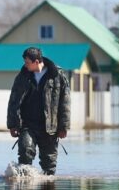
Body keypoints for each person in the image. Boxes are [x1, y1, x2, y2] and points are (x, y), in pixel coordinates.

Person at [7, 47, 71, 175]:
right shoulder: (22, 76)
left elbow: (65, 102)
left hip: (50, 127)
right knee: (25, 153)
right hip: (27, 125)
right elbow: (13, 100)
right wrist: (13, 124)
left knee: (49, 165)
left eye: (27, 62)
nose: (25, 65)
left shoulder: (57, 75)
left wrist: (64, 126)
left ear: (36, 62)